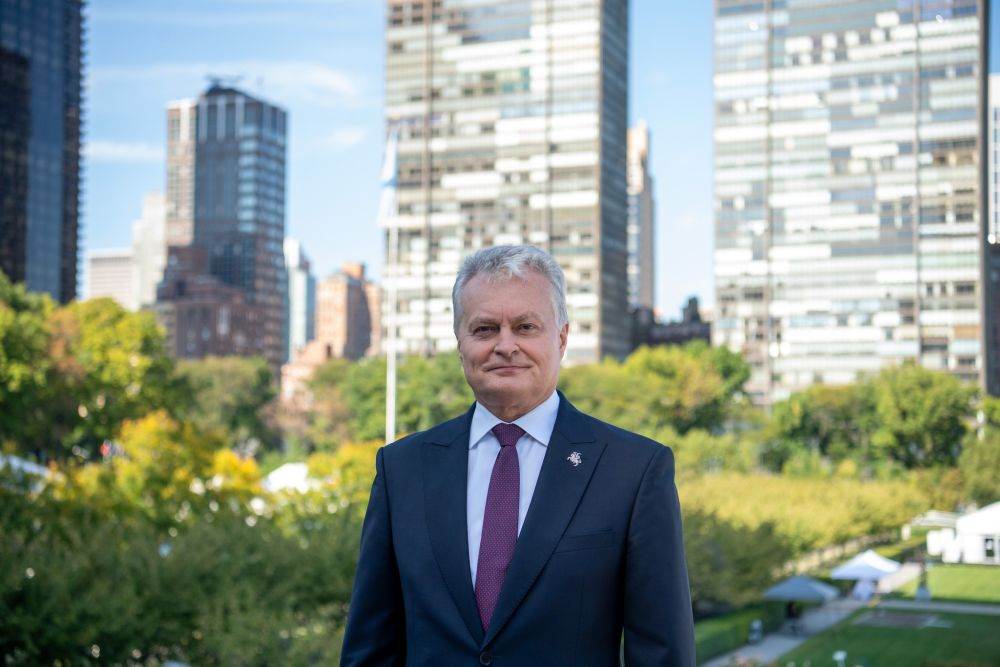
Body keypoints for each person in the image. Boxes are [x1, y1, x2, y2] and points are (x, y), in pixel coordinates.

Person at [340, 245, 695, 666]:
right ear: (460, 343)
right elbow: (370, 649)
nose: (505, 345)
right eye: (485, 329)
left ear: (561, 337)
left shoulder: (634, 471)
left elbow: (662, 654)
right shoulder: (401, 470)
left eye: (526, 327)